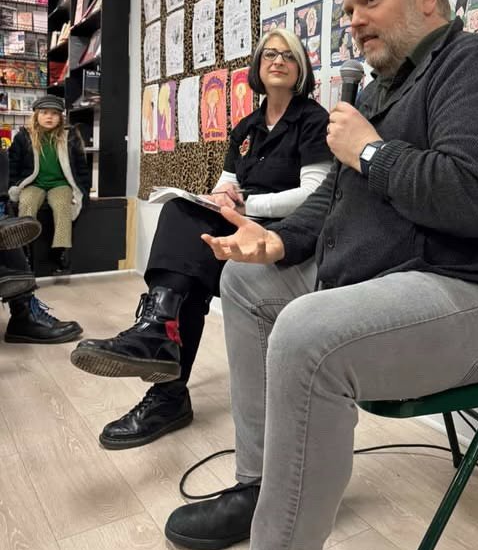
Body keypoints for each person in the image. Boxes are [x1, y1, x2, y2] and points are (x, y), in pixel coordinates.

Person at [160, 0, 478, 550]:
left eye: (371, 1)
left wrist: (370, 152)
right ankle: (262, 488)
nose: (355, 21)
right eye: (348, 10)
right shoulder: (376, 92)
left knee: (306, 333)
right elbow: (338, 201)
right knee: (246, 285)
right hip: (400, 278)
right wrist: (279, 241)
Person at [70, 30, 332, 450]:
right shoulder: (247, 126)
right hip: (244, 219)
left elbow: (315, 193)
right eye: (269, 54)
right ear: (258, 67)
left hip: (287, 233)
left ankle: (165, 367)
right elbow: (226, 183)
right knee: (182, 228)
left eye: (289, 56)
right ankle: (161, 332)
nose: (278, 61)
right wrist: (217, 197)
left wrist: (248, 205)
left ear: (300, 69)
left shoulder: (314, 120)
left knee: (187, 271)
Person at [0, 148, 83, 343]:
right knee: (7, 228)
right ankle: (24, 311)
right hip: (31, 187)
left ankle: (24, 309)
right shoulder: (25, 138)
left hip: (59, 187)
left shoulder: (68, 137)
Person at [9, 96, 90, 275]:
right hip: (33, 183)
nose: (49, 117)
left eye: (54, 113)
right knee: (27, 203)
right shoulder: (24, 136)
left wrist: (84, 190)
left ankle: (60, 254)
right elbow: (13, 163)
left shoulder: (70, 136)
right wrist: (12, 187)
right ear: (36, 115)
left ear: (61, 117)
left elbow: (82, 167)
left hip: (61, 184)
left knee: (62, 206)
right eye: (44, 113)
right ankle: (25, 255)